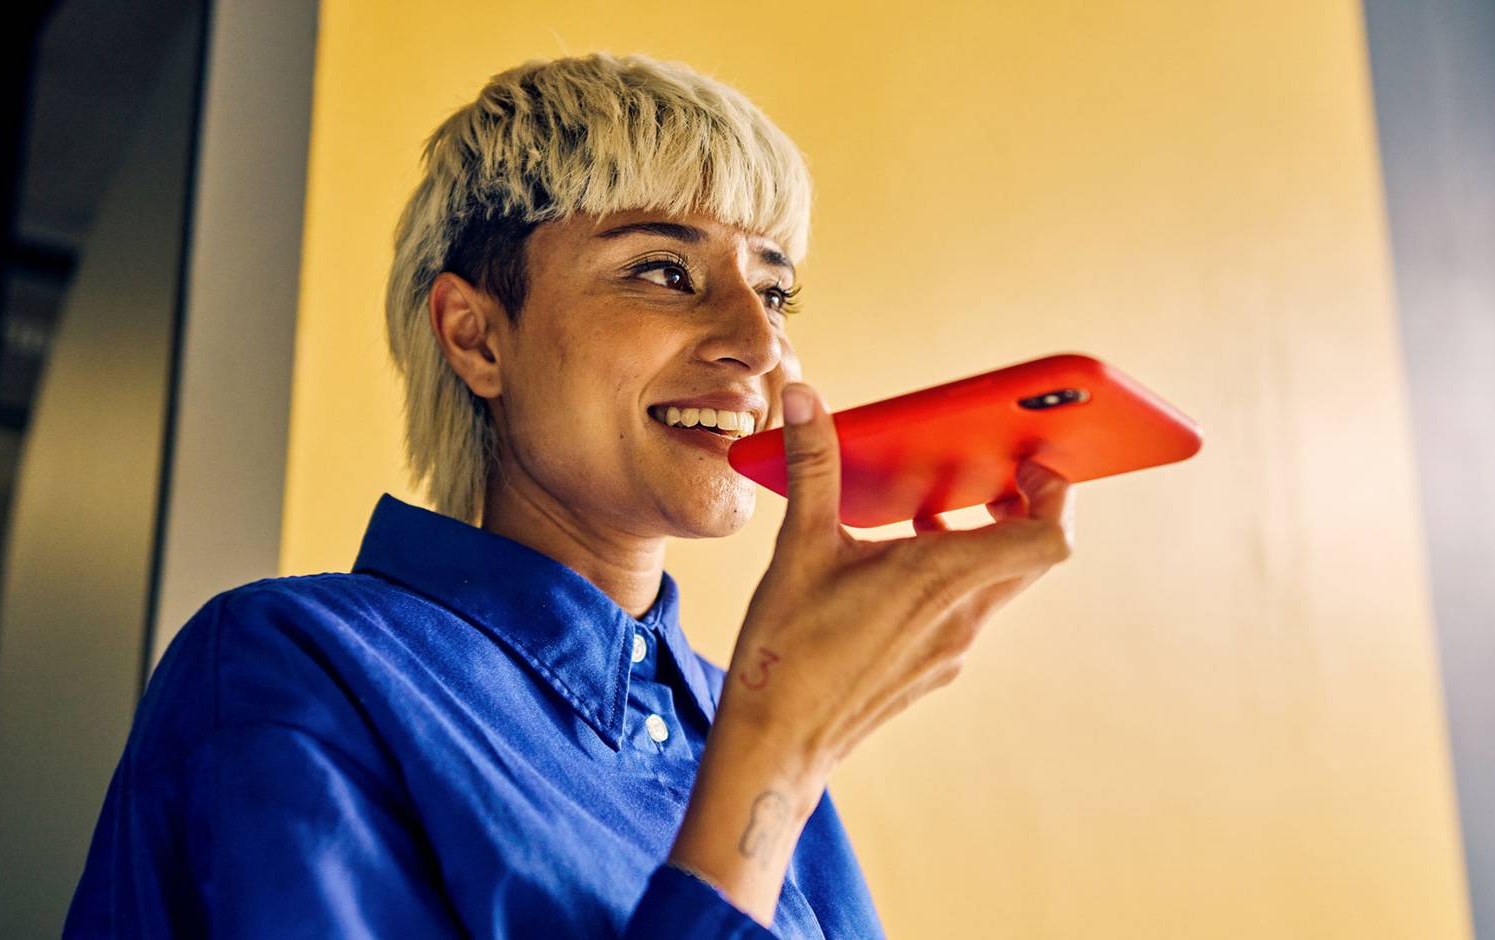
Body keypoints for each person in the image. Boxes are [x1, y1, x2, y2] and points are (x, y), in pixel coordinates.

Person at [64, 51, 1074, 939]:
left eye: (774, 289)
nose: (759, 344)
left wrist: (776, 742)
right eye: (663, 271)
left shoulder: (748, 710)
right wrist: (773, 758)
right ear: (475, 337)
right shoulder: (292, 665)